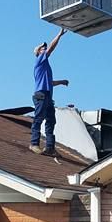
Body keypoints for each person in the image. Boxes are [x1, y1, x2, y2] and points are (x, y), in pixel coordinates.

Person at [30, 26, 70, 156]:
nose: (45, 49)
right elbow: (52, 48)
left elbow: (50, 83)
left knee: (51, 120)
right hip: (41, 95)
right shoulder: (39, 61)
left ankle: (50, 147)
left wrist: (61, 82)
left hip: (47, 95)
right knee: (38, 119)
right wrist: (59, 35)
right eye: (42, 48)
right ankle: (34, 143)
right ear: (38, 52)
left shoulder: (46, 67)